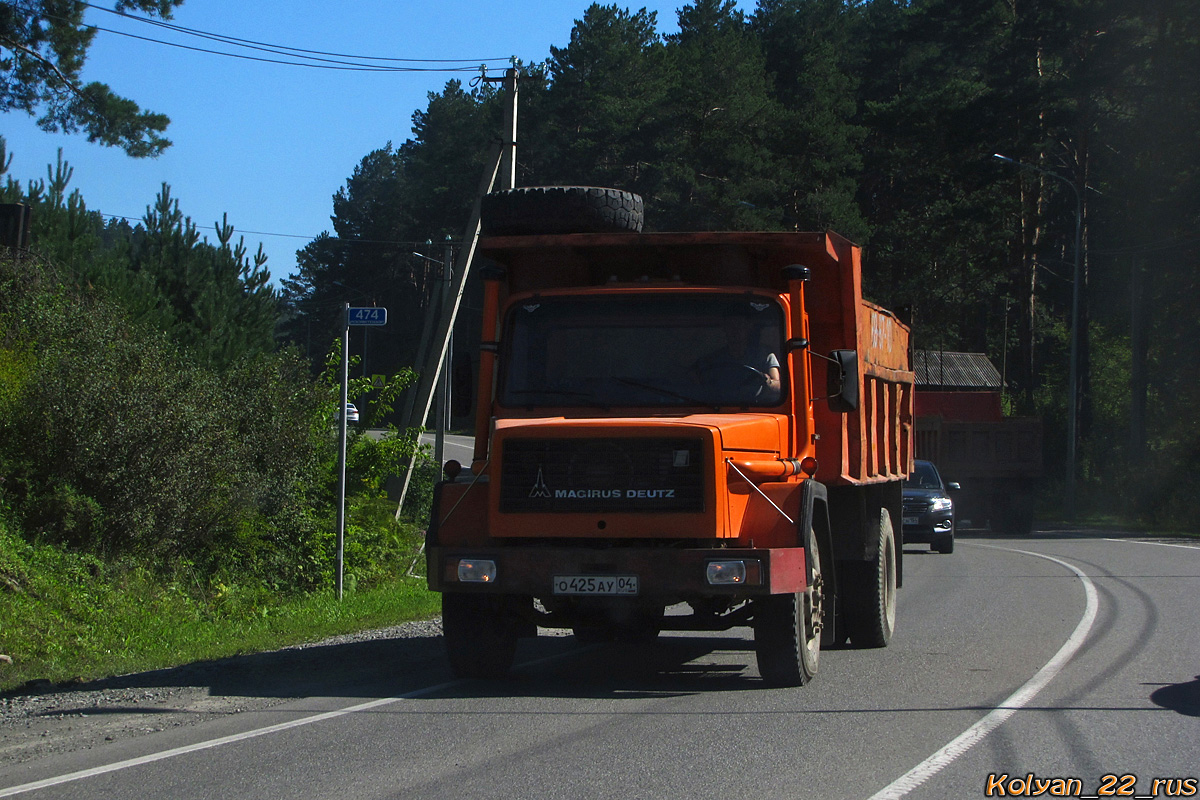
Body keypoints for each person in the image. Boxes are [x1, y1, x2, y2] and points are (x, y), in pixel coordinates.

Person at [692, 314, 782, 401]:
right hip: (720, 407)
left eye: (740, 325)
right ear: (724, 328)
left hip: (757, 407)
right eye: (730, 326)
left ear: (748, 327)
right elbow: (696, 381)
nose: (735, 331)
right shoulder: (713, 359)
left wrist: (766, 381)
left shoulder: (764, 355)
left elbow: (778, 385)